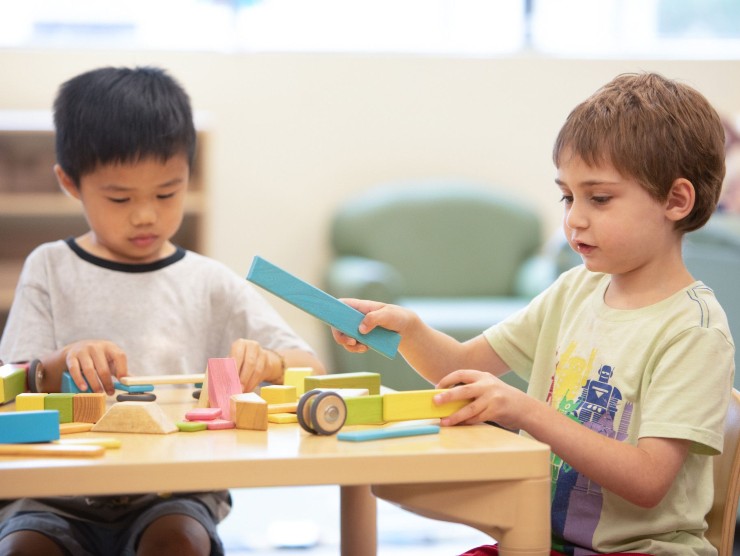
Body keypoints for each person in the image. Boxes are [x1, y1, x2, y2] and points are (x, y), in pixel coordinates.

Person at [333, 72, 735, 555]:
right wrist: (406, 331)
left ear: (676, 200)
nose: (574, 218)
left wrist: (525, 410)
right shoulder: (573, 290)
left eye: (599, 198)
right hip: (540, 539)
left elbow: (648, 480)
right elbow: (464, 368)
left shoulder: (693, 330)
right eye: (568, 196)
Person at [0, 66, 325, 556]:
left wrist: (273, 364)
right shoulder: (50, 267)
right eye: (120, 197)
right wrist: (60, 361)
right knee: (25, 548)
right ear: (70, 182)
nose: (146, 214)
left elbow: (311, 368)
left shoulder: (208, 281)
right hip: (54, 494)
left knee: (177, 543)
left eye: (166, 193)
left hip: (173, 492)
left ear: (188, 176)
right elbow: (12, 384)